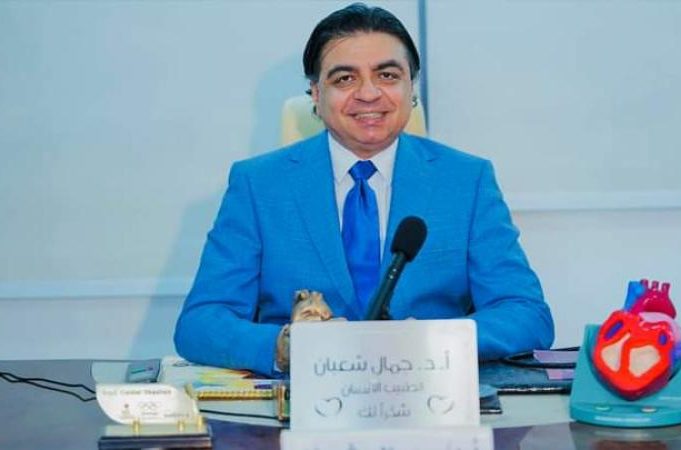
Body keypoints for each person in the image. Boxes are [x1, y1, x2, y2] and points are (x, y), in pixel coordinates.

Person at [174, 3, 553, 376]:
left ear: (411, 87)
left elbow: (526, 314)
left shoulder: (466, 180)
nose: (369, 93)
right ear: (315, 94)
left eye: (387, 75)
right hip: (302, 402)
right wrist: (288, 346)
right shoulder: (258, 185)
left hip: (429, 395)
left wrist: (430, 340)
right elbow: (201, 322)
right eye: (345, 79)